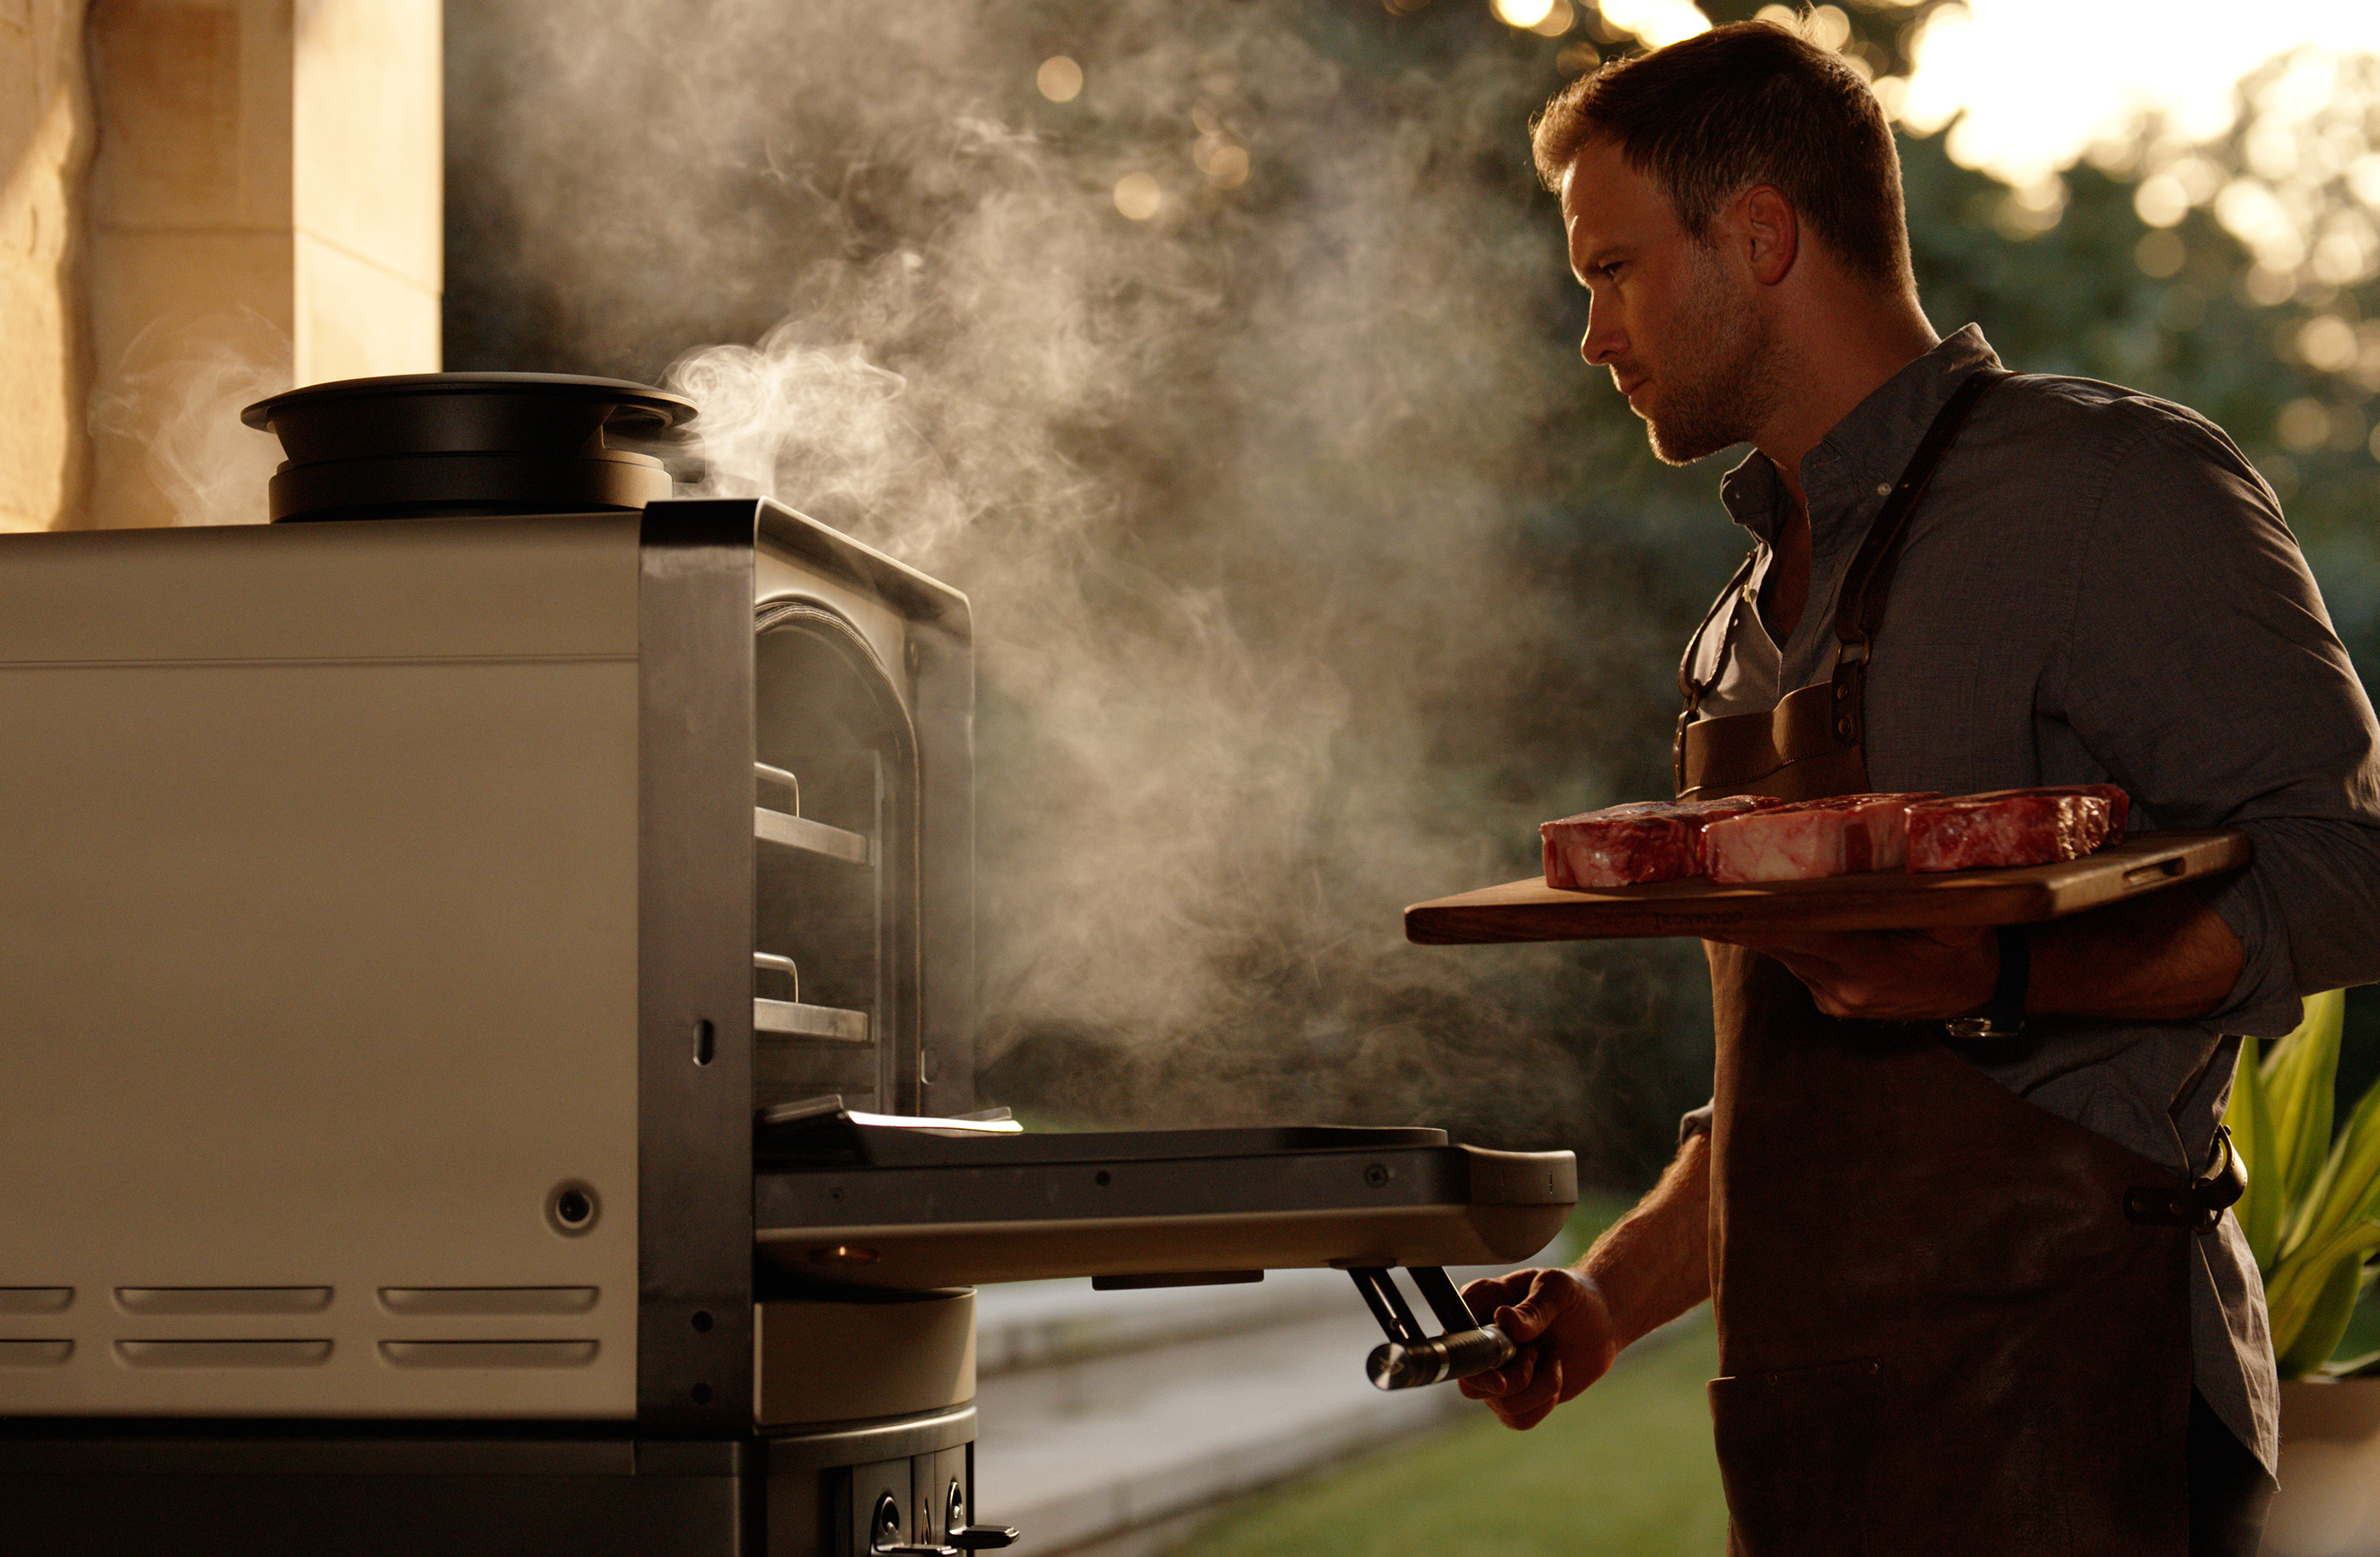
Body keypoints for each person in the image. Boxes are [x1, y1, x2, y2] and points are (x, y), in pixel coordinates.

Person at [1458, 20, 2380, 1557]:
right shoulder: (1735, 629)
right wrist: (1610, 1297)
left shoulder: (2109, 489)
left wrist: (2004, 970)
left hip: (2084, 1417)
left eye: (1609, 272)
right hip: (1813, 1441)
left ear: (1758, 236)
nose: (1592, 335)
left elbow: (2349, 874)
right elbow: (1789, 1078)